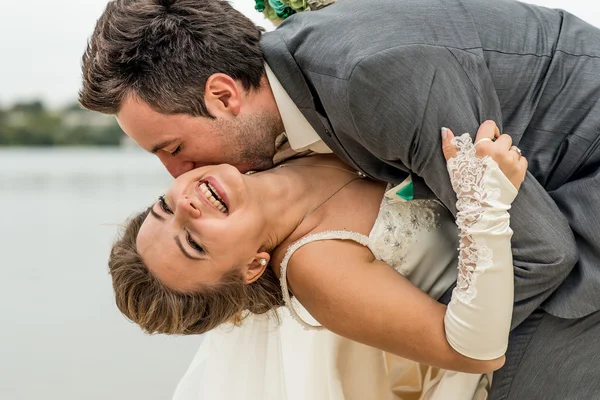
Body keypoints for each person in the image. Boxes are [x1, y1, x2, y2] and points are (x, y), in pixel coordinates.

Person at [80, 1, 600, 397]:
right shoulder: (301, 107)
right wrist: (430, 324)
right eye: (193, 244)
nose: (178, 177)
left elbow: (542, 252)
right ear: (253, 266)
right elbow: (474, 331)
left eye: (172, 148)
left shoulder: (364, 85)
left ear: (223, 95)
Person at [109, 124, 525, 399]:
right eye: (194, 244)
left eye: (164, 207)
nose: (187, 206)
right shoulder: (317, 263)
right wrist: (483, 201)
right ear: (253, 268)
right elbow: (478, 353)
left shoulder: (252, 145)